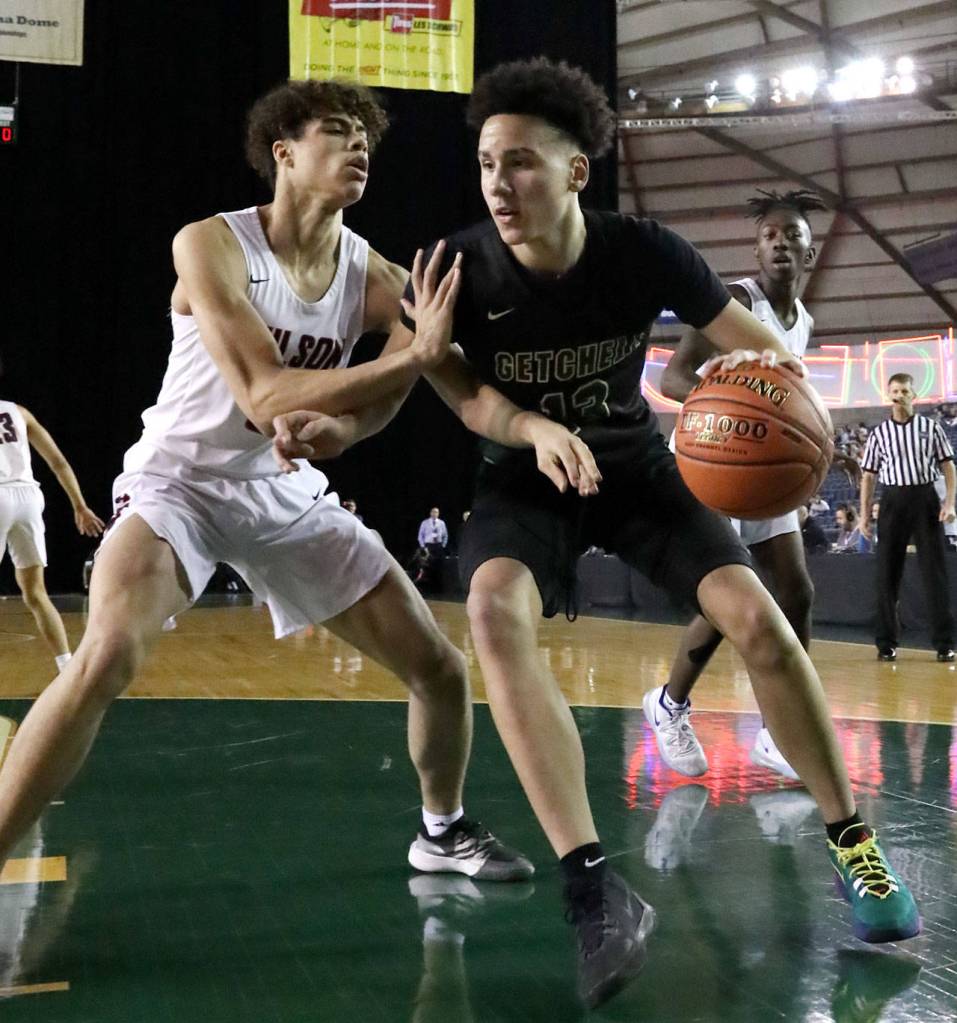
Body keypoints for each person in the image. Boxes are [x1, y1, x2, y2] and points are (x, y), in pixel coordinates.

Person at [275, 58, 919, 1009]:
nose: (499, 182)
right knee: (492, 609)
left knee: (758, 616)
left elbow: (760, 343)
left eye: (523, 162)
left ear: (577, 173)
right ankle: (593, 890)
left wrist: (776, 404)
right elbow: (462, 397)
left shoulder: (643, 249)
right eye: (489, 162)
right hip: (523, 476)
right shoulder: (451, 269)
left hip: (636, 469)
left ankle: (853, 845)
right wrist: (533, 427)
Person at [0, 79, 533, 907]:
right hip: (178, 480)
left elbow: (406, 380)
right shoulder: (210, 245)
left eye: (366, 136)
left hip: (280, 491)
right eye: (336, 130)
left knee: (437, 667)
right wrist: (410, 357)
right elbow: (265, 394)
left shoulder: (375, 274)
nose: (359, 145)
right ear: (283, 153)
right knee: (106, 653)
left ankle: (441, 828)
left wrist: (349, 431)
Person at [650, 188, 838, 782]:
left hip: (762, 470)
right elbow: (675, 378)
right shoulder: (735, 301)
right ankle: (669, 703)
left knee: (798, 592)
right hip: (710, 463)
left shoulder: (803, 322)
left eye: (793, 234)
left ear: (810, 253)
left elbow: (790, 409)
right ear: (758, 250)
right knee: (738, 597)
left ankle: (783, 733)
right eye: (770, 234)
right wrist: (729, 404)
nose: (781, 240)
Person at [0, 401, 104, 670]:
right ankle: (66, 666)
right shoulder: (17, 411)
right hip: (28, 500)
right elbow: (58, 461)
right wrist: (80, 506)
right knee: (35, 593)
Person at [860, 373, 956, 661]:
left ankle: (944, 643)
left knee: (934, 573)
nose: (899, 395)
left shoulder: (931, 428)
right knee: (887, 574)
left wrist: (950, 502)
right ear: (888, 395)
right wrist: (865, 514)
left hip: (925, 499)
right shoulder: (879, 433)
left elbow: (948, 466)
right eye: (894, 390)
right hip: (892, 501)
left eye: (904, 390)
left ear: (913, 395)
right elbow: (868, 476)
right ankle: (886, 642)